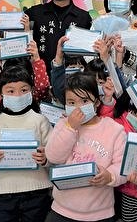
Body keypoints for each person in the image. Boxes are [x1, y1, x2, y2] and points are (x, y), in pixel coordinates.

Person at [0, 65, 53, 222]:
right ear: (0, 93)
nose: (18, 95)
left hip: (37, 192)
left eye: (24, 90)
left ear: (31, 90)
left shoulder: (40, 120)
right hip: (3, 193)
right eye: (11, 91)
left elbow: (54, 153)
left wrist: (46, 158)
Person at [44, 72, 127, 222]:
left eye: (84, 101)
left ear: (96, 102)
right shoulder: (63, 124)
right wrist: (70, 128)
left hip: (100, 213)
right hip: (61, 210)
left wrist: (110, 176)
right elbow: (53, 156)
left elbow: (122, 165)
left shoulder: (114, 130)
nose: (78, 108)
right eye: (71, 102)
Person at [99, 60, 137, 222]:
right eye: (136, 114)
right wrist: (108, 98)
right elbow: (106, 121)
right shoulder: (120, 123)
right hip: (125, 191)